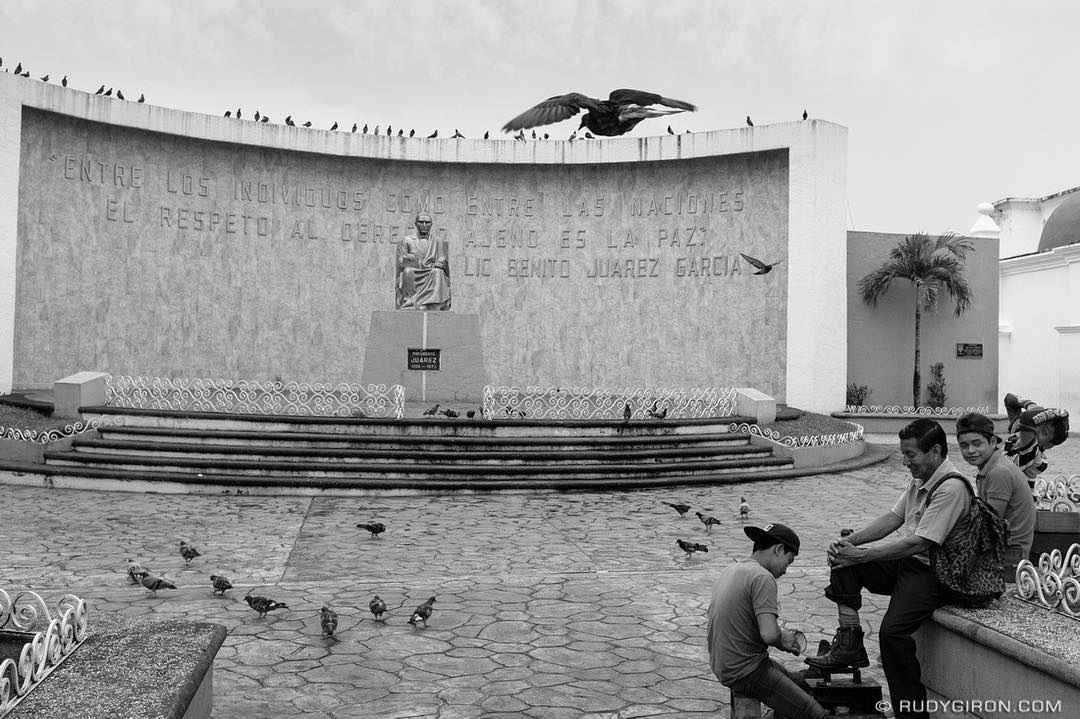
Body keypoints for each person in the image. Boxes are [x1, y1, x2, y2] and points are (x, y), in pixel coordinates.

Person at [806, 419, 968, 719]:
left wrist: (862, 555)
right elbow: (892, 519)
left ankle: (912, 714)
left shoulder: (952, 487)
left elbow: (918, 544)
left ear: (934, 451)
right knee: (843, 561)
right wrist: (849, 544)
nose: (905, 461)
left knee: (892, 635)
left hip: (935, 574)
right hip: (911, 565)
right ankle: (850, 642)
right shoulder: (922, 478)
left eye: (910, 455)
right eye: (904, 454)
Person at [707, 523, 828, 719]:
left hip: (726, 666)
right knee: (815, 713)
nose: (786, 571)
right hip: (746, 671)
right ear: (779, 549)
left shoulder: (732, 569)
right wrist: (785, 640)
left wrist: (781, 636)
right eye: (789, 562)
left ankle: (815, 671)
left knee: (797, 680)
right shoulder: (763, 577)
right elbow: (770, 634)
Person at [955, 412, 1034, 580]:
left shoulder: (998, 472)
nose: (970, 451)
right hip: (1002, 547)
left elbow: (989, 525)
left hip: (1010, 555)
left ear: (992, 442)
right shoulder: (991, 467)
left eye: (977, 444)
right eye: (964, 445)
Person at [1002, 393, 1070, 486]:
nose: (1036, 430)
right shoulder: (1019, 434)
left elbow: (1027, 418)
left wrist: (1044, 412)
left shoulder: (1036, 458)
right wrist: (1029, 404)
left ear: (1048, 445)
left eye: (1044, 433)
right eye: (1039, 425)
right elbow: (1009, 399)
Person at [395, 212, 451, 310]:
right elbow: (400, 260)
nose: (424, 225)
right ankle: (410, 302)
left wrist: (440, 262)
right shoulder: (407, 240)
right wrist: (407, 257)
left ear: (431, 224)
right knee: (408, 272)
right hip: (415, 268)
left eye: (427, 222)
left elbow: (442, 257)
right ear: (416, 224)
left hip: (431, 268)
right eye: (421, 222)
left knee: (437, 272)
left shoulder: (437, 240)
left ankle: (432, 303)